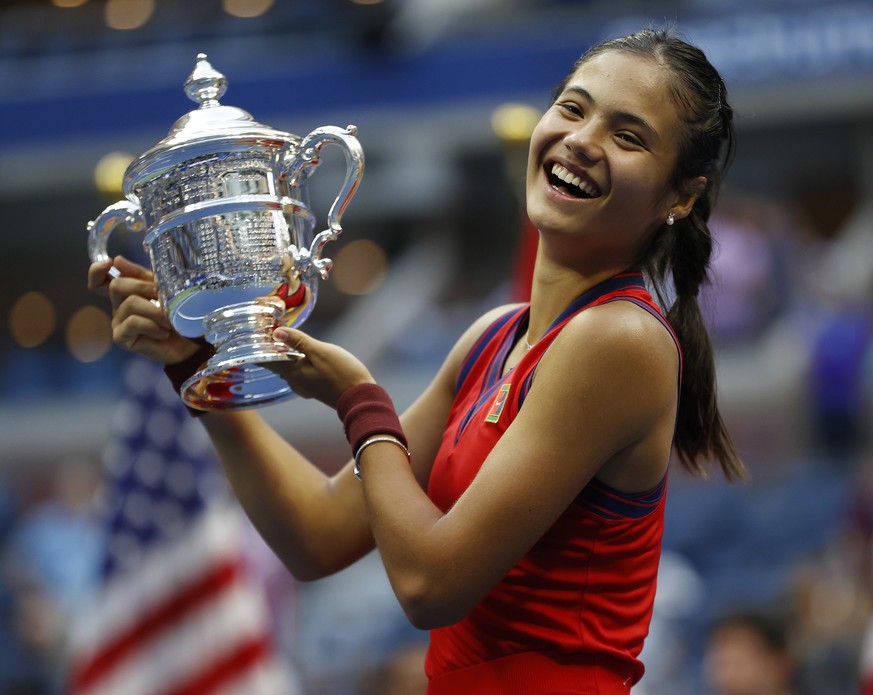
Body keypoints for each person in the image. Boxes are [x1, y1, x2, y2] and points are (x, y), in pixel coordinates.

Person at [88, 28, 745, 694]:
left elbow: (431, 586)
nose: (581, 139)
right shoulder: (493, 336)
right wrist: (197, 366)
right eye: (573, 109)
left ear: (680, 195)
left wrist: (358, 402)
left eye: (628, 136)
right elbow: (317, 535)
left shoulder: (618, 340)